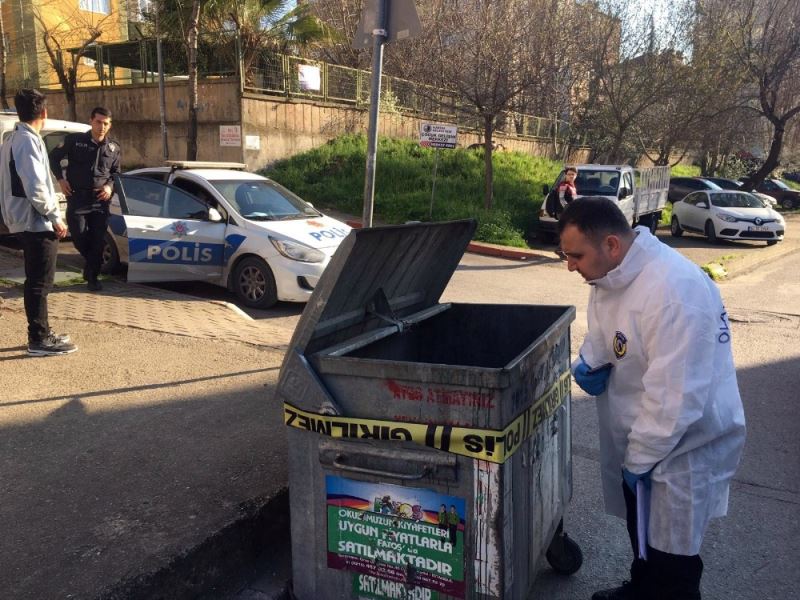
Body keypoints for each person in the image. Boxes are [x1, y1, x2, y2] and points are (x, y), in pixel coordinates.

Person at [557, 197, 746, 600]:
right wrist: (590, 360)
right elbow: (608, 330)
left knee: (672, 553)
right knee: (641, 534)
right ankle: (640, 589)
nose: (570, 265)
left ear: (610, 243)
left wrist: (640, 456)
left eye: (575, 255)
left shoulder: (674, 290)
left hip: (683, 446)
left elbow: (676, 397)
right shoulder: (611, 273)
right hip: (642, 435)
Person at [0, 89, 76, 356]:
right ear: (44, 112)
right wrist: (56, 217)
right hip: (36, 222)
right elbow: (36, 187)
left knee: (36, 280)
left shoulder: (11, 139)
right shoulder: (28, 142)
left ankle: (42, 332)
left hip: (23, 219)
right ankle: (39, 339)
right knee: (40, 282)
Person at [49, 106, 120, 291]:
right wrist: (61, 179)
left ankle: (92, 278)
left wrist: (109, 186)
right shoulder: (75, 140)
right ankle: (91, 267)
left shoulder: (113, 148)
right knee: (79, 238)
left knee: (97, 241)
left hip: (100, 200)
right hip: (77, 198)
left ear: (110, 125)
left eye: (105, 123)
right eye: (98, 122)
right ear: (91, 121)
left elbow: (116, 174)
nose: (101, 126)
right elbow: (53, 157)